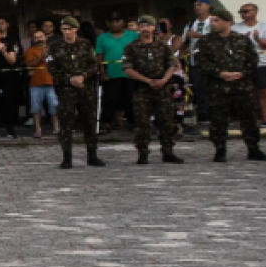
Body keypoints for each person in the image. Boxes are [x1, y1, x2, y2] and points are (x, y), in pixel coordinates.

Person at [195, 13, 266, 162]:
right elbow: (200, 63)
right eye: (212, 21)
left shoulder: (242, 40)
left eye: (217, 20)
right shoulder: (205, 42)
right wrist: (220, 73)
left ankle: (253, 149)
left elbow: (253, 60)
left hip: (242, 86)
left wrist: (242, 73)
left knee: (249, 118)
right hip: (217, 87)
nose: (213, 24)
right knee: (218, 120)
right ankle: (220, 150)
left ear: (227, 22)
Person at [120, 17, 184, 164]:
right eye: (142, 25)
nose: (145, 28)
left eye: (148, 25)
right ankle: (143, 153)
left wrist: (164, 80)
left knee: (166, 121)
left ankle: (168, 151)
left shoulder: (162, 46)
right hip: (141, 89)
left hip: (162, 88)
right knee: (142, 122)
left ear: (154, 28)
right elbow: (127, 68)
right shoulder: (131, 47)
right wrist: (147, 81)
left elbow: (171, 64)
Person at [44, 17, 105, 169]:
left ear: (76, 29)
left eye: (69, 29)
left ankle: (92, 155)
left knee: (89, 122)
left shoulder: (85, 44)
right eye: (64, 29)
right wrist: (69, 79)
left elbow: (93, 64)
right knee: (66, 124)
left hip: (85, 88)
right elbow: (52, 68)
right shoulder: (55, 47)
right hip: (66, 91)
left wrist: (82, 76)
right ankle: (67, 157)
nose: (67, 32)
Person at [93, 15, 135, 133]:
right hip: (111, 74)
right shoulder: (102, 38)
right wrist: (102, 72)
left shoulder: (133, 35)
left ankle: (133, 123)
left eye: (118, 20)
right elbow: (99, 56)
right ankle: (107, 123)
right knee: (109, 100)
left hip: (130, 73)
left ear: (123, 22)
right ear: (108, 24)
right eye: (112, 21)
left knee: (131, 99)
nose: (115, 23)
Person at [24, 24, 58, 138]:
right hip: (36, 83)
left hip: (51, 82)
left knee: (54, 106)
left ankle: (56, 128)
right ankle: (38, 130)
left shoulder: (53, 49)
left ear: (46, 37)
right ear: (33, 39)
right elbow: (30, 65)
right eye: (36, 37)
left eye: (41, 37)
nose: (39, 39)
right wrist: (41, 56)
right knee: (36, 108)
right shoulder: (30, 51)